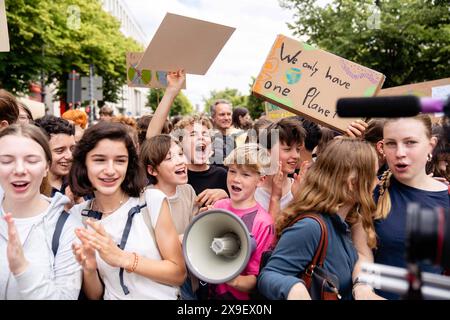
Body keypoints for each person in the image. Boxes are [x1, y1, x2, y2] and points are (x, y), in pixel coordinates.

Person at [69, 122, 186, 299]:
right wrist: (90, 269)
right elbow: (95, 295)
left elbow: (178, 273)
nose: (110, 170)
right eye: (99, 160)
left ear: (129, 164)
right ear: (84, 163)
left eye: (120, 160)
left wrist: (122, 258)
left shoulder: (151, 201)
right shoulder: (79, 215)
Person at [257, 138, 378, 300]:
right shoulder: (310, 226)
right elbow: (269, 275)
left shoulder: (346, 221)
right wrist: (293, 287)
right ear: (352, 183)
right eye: (373, 176)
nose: (376, 183)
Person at [352, 114, 449, 300]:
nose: (399, 153)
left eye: (410, 142)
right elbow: (362, 252)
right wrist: (362, 288)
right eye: (391, 144)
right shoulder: (372, 192)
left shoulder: (446, 197)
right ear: (381, 147)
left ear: (431, 145)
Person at [0, 124, 82, 299]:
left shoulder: (68, 228)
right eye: (6, 161)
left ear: (46, 167)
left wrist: (23, 270)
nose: (20, 170)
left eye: (31, 160)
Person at [208, 143, 275, 300]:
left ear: (261, 180)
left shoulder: (264, 223)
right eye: (232, 171)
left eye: (245, 175)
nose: (236, 179)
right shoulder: (219, 206)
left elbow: (254, 279)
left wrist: (230, 278)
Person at [141, 134, 199, 236]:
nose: (181, 161)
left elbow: (194, 229)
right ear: (152, 170)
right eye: (169, 158)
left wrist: (202, 217)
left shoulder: (188, 190)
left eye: (181, 154)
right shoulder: (145, 199)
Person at [254, 118, 306, 219]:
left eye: (298, 150)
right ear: (266, 151)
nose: (296, 155)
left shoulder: (299, 188)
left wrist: (300, 199)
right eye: (287, 149)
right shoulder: (252, 191)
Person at [34, 115, 76, 197]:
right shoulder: (31, 189)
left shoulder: (80, 183)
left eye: (72, 149)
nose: (69, 156)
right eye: (60, 151)